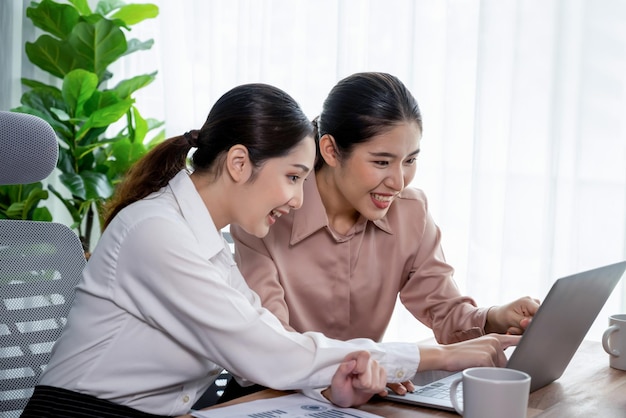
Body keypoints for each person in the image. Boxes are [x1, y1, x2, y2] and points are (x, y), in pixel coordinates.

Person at [21, 83, 518, 418]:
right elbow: (268, 351)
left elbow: (260, 341)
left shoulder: (200, 237)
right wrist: (438, 357)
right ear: (240, 163)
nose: (300, 199)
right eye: (293, 178)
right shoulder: (156, 234)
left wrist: (340, 385)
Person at [228, 72, 540, 398]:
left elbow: (447, 314)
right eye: (381, 162)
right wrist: (377, 366)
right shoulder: (268, 214)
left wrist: (495, 318)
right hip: (269, 399)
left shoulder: (410, 212)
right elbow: (274, 344)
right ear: (331, 150)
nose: (398, 181)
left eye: (410, 161)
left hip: (361, 398)